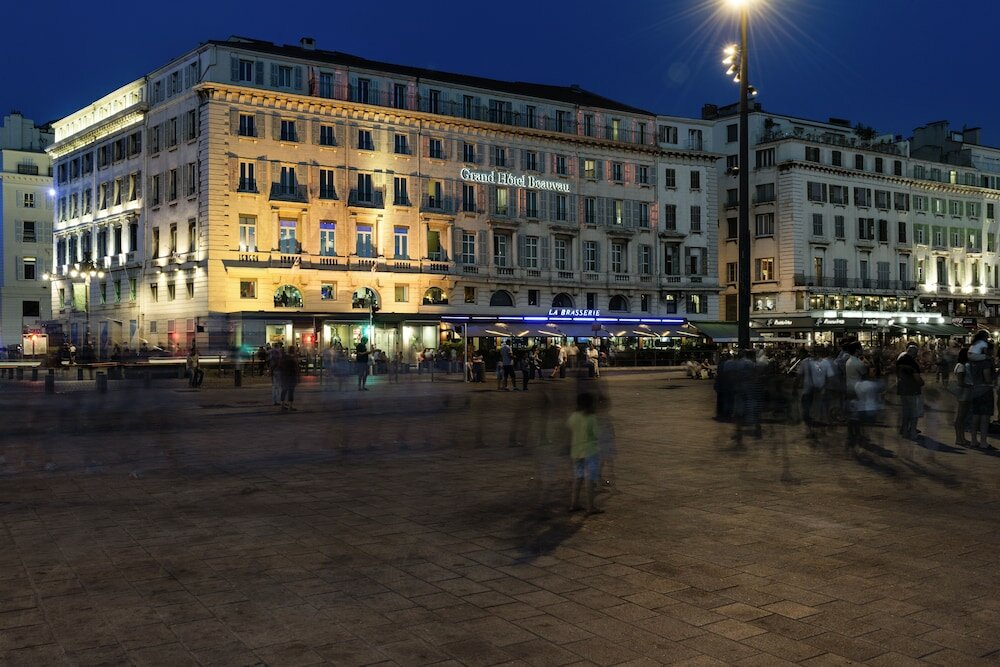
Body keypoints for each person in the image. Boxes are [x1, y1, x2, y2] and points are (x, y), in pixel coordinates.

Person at [567, 392, 602, 514]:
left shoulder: (574, 416)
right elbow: (596, 434)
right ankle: (590, 507)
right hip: (590, 452)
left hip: (576, 451)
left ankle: (574, 503)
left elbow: (570, 427)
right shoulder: (592, 418)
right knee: (590, 479)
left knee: (578, 477)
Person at [967, 341, 995, 450]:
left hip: (975, 389)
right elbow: (987, 377)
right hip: (985, 390)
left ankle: (973, 440)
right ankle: (983, 442)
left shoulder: (973, 362)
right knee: (985, 417)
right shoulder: (986, 362)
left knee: (975, 416)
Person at [895, 342, 924, 441]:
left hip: (902, 389)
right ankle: (912, 432)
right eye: (916, 352)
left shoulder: (900, 361)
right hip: (912, 390)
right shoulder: (913, 363)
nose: (917, 354)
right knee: (913, 412)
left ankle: (905, 432)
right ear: (913, 352)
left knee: (906, 411)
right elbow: (917, 378)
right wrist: (922, 383)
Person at [279, 347, 299, 411]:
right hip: (291, 377)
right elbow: (295, 369)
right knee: (291, 391)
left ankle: (282, 405)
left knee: (284, 391)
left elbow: (280, 366)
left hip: (284, 376)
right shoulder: (293, 359)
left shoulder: (284, 358)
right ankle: (290, 406)